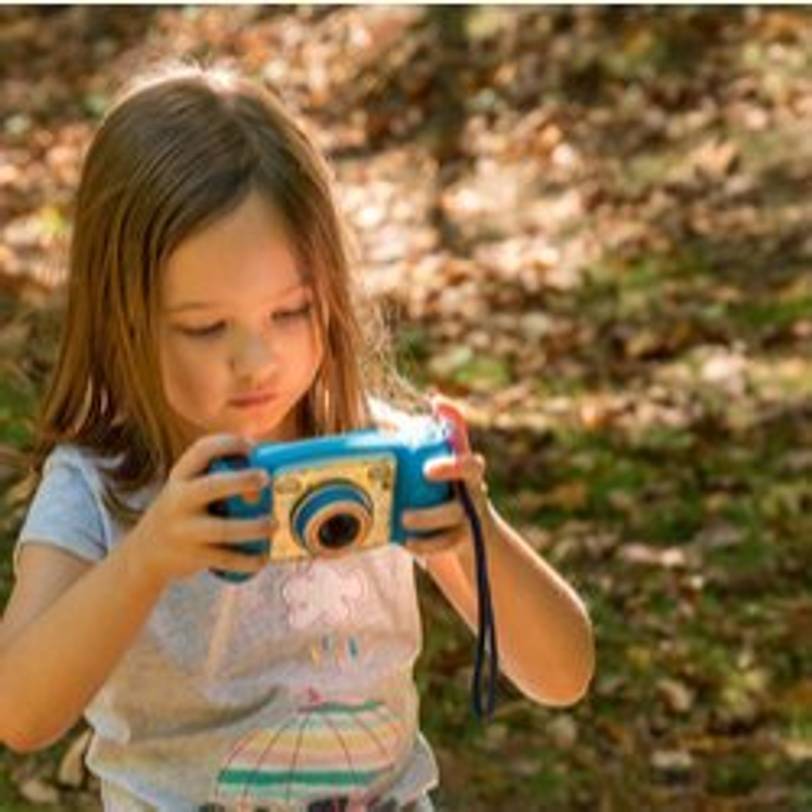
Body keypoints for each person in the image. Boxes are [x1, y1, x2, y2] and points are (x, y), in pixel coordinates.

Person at [0, 62, 594, 812]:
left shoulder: (380, 452)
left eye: (290, 312)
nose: (257, 359)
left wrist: (473, 534)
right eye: (206, 327)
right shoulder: (101, 484)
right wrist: (147, 559)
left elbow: (563, 672)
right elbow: (20, 712)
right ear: (123, 320)